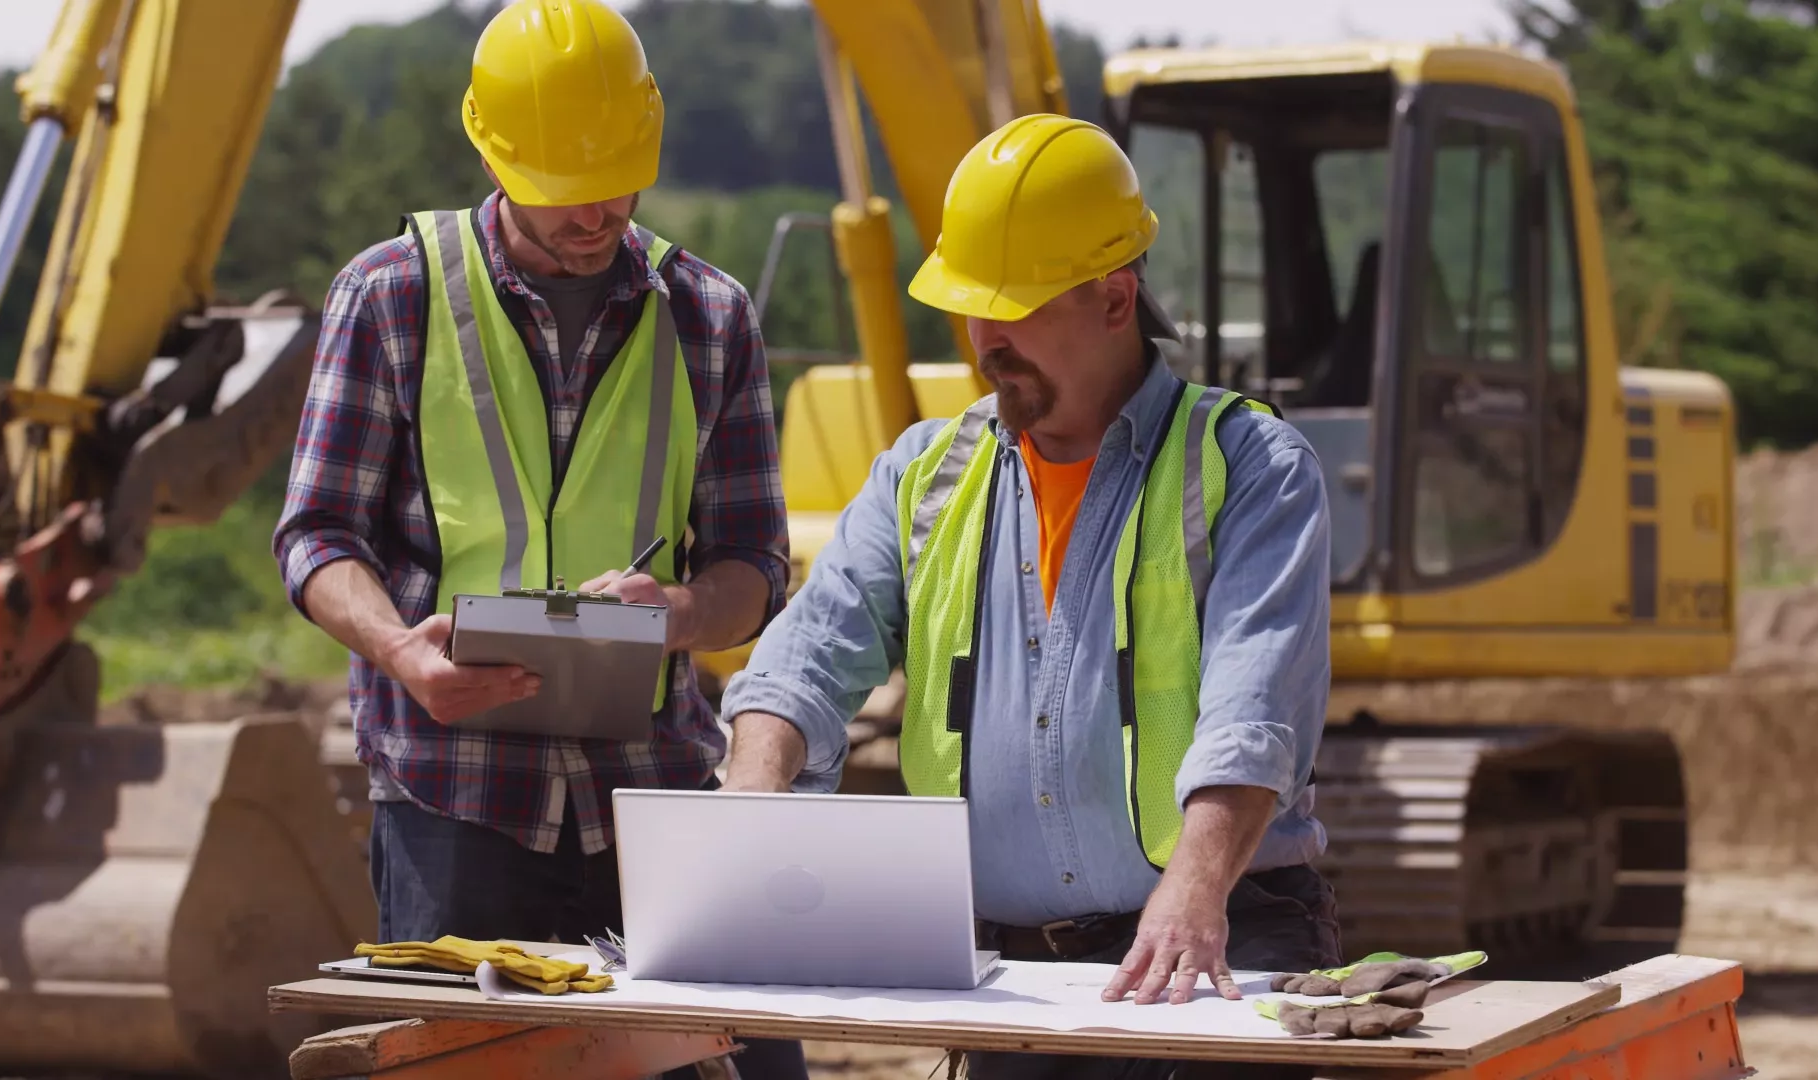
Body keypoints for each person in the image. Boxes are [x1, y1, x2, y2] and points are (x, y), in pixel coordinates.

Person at [718, 113, 1341, 1079]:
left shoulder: (1249, 466)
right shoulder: (923, 473)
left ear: (1114, 297)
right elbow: (807, 655)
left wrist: (1192, 888)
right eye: (972, 308)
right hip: (1017, 976)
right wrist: (750, 800)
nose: (983, 340)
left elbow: (1253, 716)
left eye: (1012, 307)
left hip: (1215, 946)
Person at [272, 2, 805, 1075]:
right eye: (568, 185)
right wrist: (396, 650)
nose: (600, 209)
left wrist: (688, 615)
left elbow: (755, 558)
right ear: (496, 153)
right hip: (452, 806)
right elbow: (317, 534)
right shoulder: (391, 297)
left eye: (621, 176)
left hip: (657, 806)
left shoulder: (710, 314)